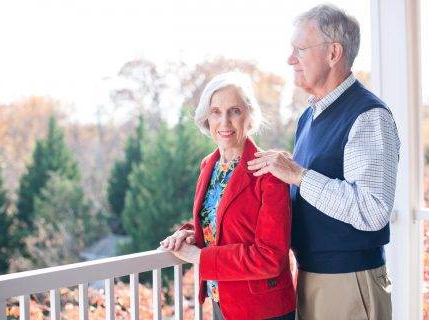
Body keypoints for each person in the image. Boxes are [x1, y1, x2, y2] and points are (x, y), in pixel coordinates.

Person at [247, 4, 400, 320]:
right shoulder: (309, 116)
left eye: (300, 49)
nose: (291, 59)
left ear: (333, 53)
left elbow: (372, 211)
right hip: (311, 276)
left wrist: (300, 175)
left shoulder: (369, 116)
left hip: (348, 283)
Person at [159, 72, 296, 320]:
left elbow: (270, 257)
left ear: (249, 116)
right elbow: (222, 221)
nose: (224, 122)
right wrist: (189, 232)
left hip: (262, 309)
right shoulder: (208, 166)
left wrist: (200, 257)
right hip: (221, 301)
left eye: (234, 111)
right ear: (206, 118)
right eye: (216, 112)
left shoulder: (269, 172)